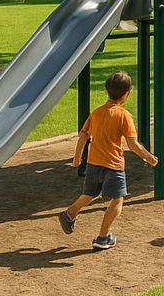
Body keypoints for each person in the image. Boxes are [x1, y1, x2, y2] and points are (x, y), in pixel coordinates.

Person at [58, 71, 158, 250]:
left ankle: (69, 213)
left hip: (93, 162)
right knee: (118, 198)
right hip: (113, 164)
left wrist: (77, 156)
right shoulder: (123, 115)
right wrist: (148, 157)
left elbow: (83, 134)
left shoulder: (96, 113)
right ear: (127, 93)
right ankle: (103, 237)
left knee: (90, 193)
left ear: (107, 90)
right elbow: (132, 143)